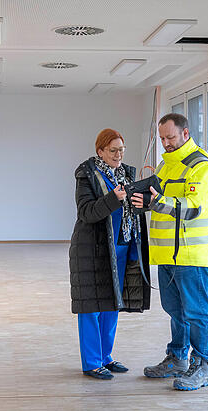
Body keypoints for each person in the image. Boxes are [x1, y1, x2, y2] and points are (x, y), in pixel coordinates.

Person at [131, 113, 208, 391]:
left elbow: (193, 208)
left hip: (192, 255)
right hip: (167, 255)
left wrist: (157, 202)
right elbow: (160, 199)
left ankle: (202, 366)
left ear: (185, 133)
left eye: (170, 137)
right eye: (162, 138)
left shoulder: (202, 166)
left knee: (196, 312)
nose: (166, 143)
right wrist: (140, 199)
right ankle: (178, 358)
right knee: (175, 310)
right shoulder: (166, 165)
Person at [69, 128, 151, 380]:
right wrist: (113, 199)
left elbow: (132, 210)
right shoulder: (87, 175)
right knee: (91, 307)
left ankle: (105, 357)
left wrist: (145, 202)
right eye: (113, 150)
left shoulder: (127, 173)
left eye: (121, 150)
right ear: (100, 151)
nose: (118, 155)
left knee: (112, 305)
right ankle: (92, 362)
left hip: (123, 246)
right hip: (93, 250)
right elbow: (87, 212)